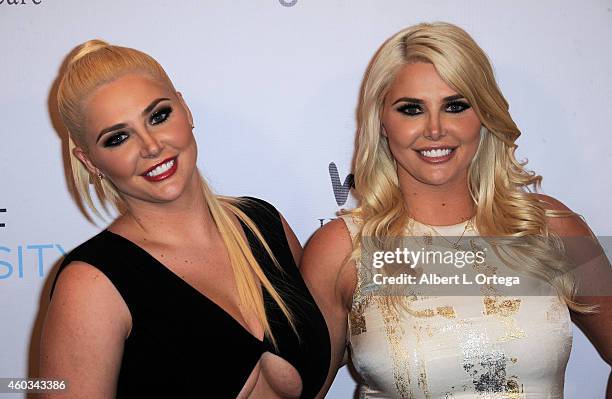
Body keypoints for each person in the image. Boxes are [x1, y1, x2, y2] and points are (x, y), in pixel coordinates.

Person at [301, 22, 611, 398]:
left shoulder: (553, 228)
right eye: (411, 109)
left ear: (483, 114)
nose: (434, 129)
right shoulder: (342, 250)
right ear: (382, 122)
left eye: (455, 106)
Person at [39, 39, 330, 398]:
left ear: (185, 110)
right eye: (118, 138)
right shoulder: (92, 284)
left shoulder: (264, 225)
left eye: (158, 116)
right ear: (90, 162)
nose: (150, 146)